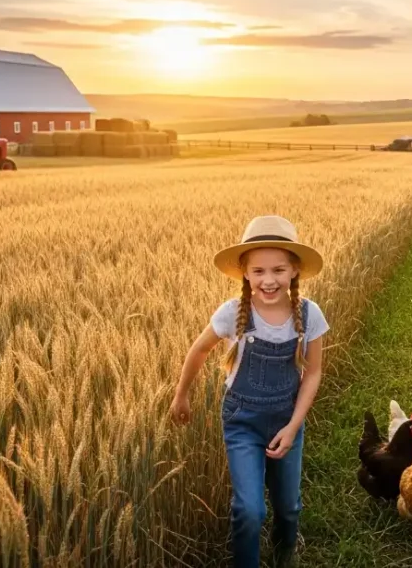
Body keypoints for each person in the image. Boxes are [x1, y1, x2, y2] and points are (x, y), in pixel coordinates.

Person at [170, 215, 330, 567]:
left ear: (294, 271)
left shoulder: (309, 313)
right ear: (245, 272)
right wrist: (181, 394)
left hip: (288, 418)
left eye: (278, 270)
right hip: (242, 420)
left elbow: (314, 372)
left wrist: (292, 427)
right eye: (258, 271)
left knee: (288, 506)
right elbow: (198, 350)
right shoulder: (232, 314)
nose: (268, 280)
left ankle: (286, 548)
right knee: (249, 509)